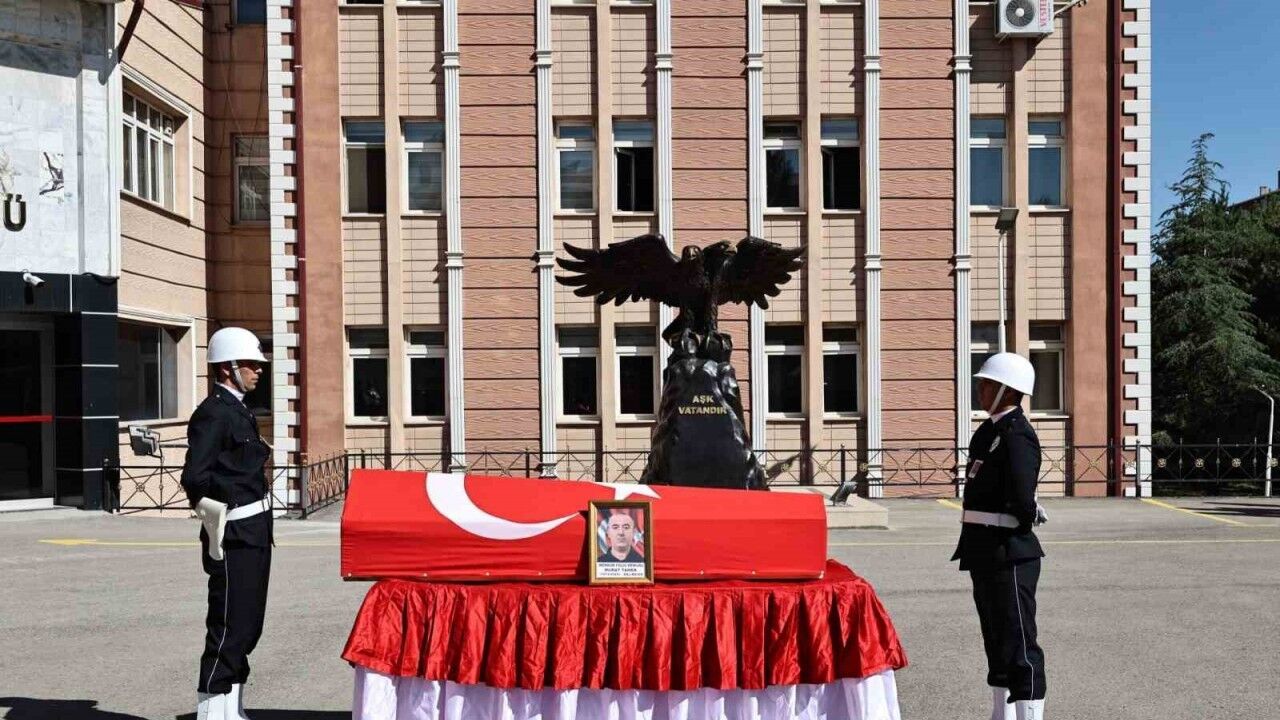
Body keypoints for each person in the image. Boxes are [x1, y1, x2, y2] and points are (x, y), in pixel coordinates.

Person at [181, 327, 272, 720]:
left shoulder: (238, 409)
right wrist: (214, 519)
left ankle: (231, 708)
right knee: (228, 624)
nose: (258, 370)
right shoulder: (213, 413)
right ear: (226, 368)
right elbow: (194, 477)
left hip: (255, 530)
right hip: (234, 532)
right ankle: (212, 711)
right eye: (251, 364)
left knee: (247, 624)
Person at [952, 352, 1048, 720]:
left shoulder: (1017, 434)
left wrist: (1028, 510)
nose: (980, 389)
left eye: (987, 384)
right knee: (996, 640)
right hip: (983, 549)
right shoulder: (988, 432)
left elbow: (1022, 496)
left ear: (1008, 391)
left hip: (1010, 552)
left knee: (1020, 643)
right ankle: (1001, 714)